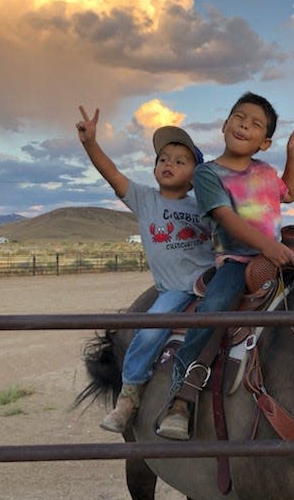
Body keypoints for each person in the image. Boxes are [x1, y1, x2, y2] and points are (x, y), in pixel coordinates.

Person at [156, 92, 294, 440]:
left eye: (255, 124)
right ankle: (182, 395)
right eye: (239, 117)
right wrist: (268, 248)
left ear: (265, 142)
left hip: (278, 254)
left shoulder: (267, 170)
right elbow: (225, 218)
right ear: (225, 125)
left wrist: (292, 158)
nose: (244, 125)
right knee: (214, 307)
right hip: (239, 260)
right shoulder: (208, 174)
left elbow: (289, 194)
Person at [76, 106, 214, 433]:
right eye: (163, 159)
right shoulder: (144, 199)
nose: (169, 164)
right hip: (175, 290)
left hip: (210, 282)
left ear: (196, 175)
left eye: (181, 161)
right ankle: (129, 395)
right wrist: (91, 144)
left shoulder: (203, 206)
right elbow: (111, 173)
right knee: (150, 331)